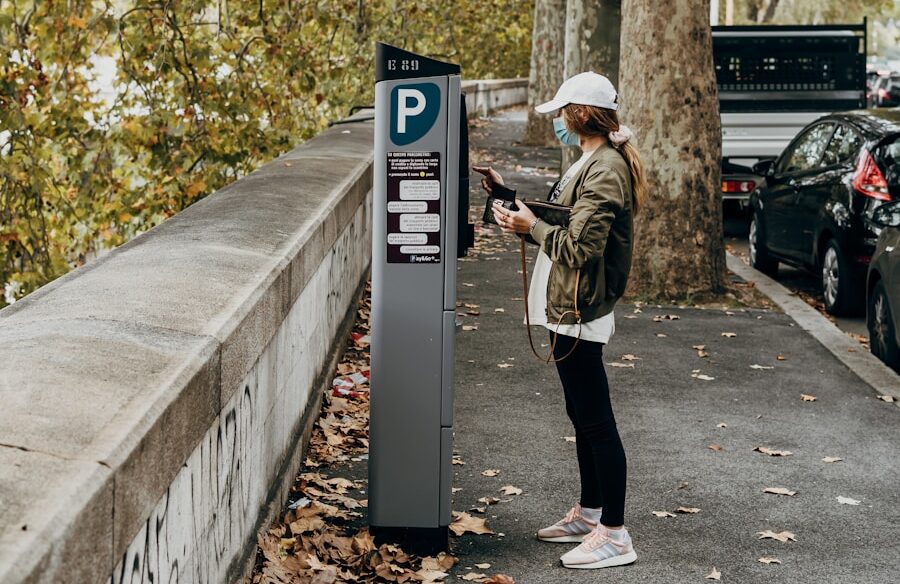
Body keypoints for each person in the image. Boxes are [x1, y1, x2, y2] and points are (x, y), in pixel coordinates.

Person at [473, 71, 648, 570]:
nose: (557, 124)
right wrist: (513, 202)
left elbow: (579, 246)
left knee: (596, 421)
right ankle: (591, 513)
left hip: (580, 306)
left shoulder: (606, 169)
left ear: (580, 114)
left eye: (561, 115)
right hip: (566, 303)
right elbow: (564, 218)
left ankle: (614, 534)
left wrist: (532, 228)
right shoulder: (589, 161)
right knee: (581, 416)